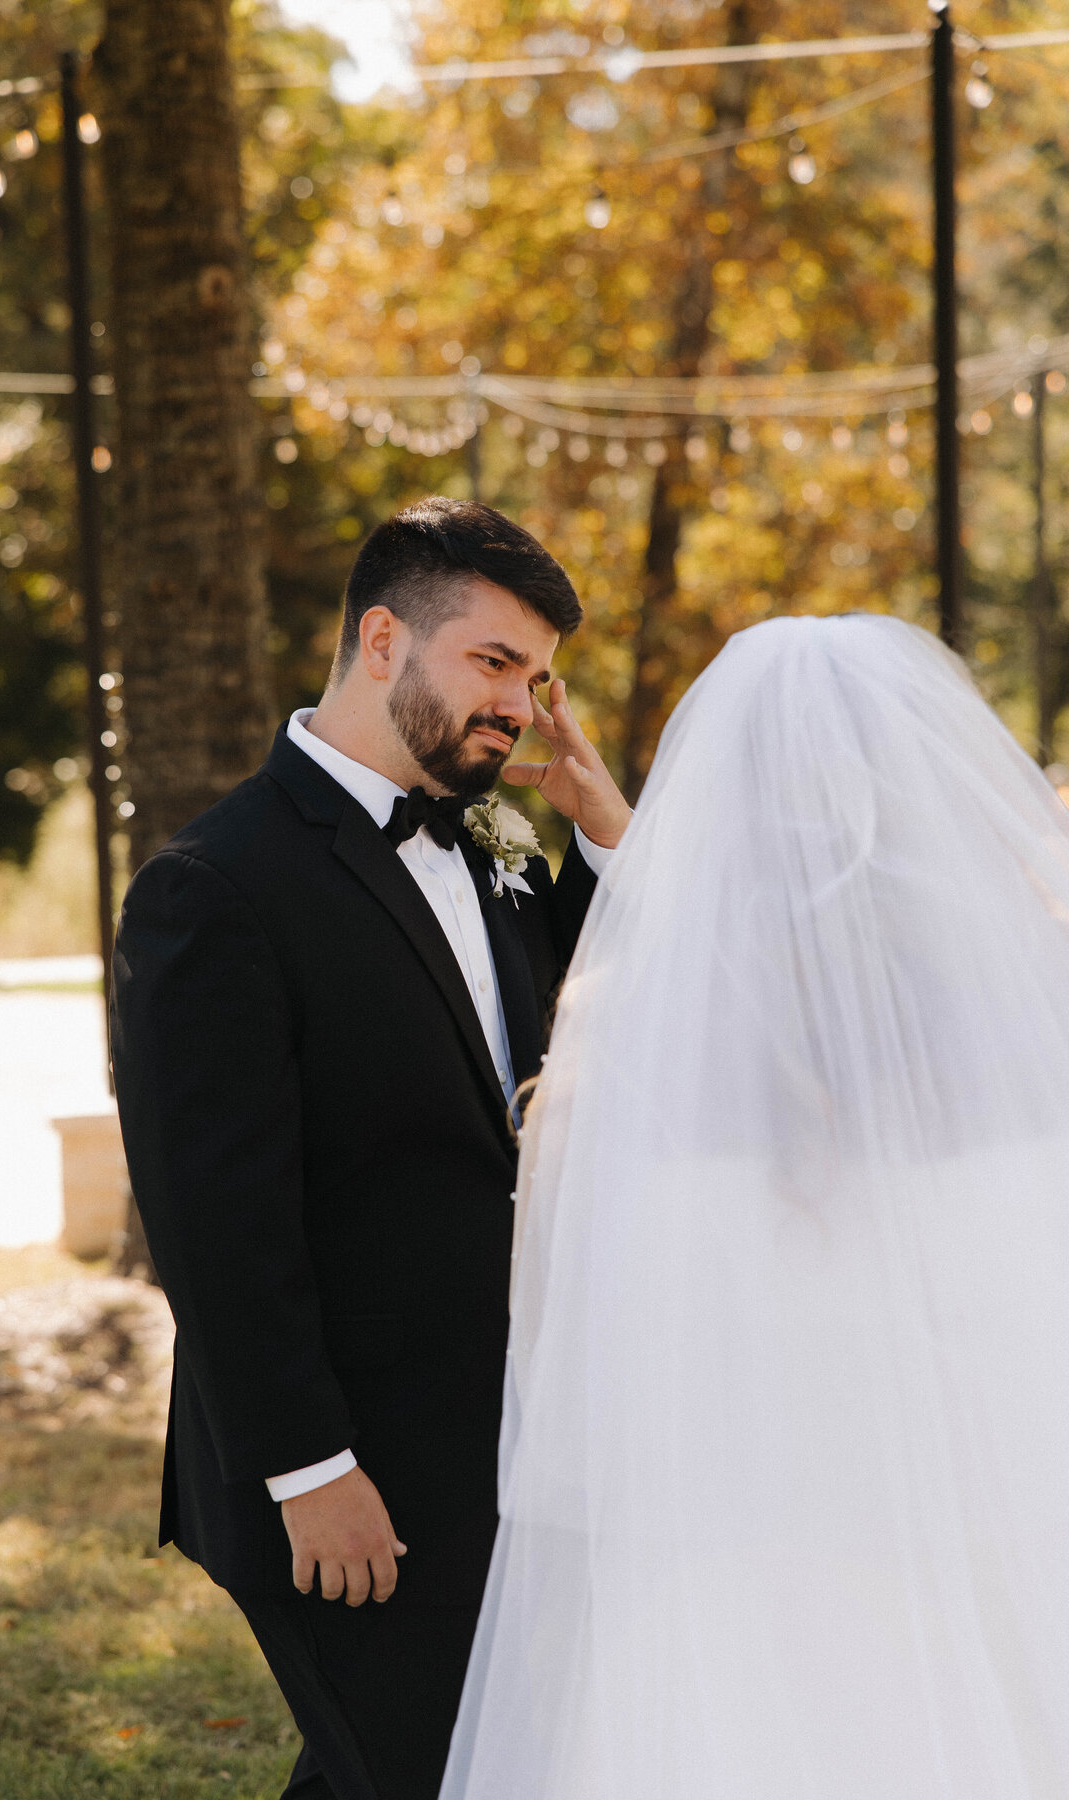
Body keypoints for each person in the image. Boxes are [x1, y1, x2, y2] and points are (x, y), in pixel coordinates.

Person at [442, 613, 1069, 1800]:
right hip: (957, 1595)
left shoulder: (633, 1055)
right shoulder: (1024, 1061)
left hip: (715, 1595)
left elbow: (577, 1381)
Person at [109, 497, 632, 1800]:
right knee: (433, 1765)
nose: (520, 704)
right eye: (494, 663)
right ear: (385, 641)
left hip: (499, 1434)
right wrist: (309, 1467)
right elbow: (214, 1212)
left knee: (426, 1767)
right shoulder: (215, 886)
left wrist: (604, 843)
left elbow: (571, 1040)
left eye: (539, 676)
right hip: (346, 1461)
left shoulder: (497, 853)